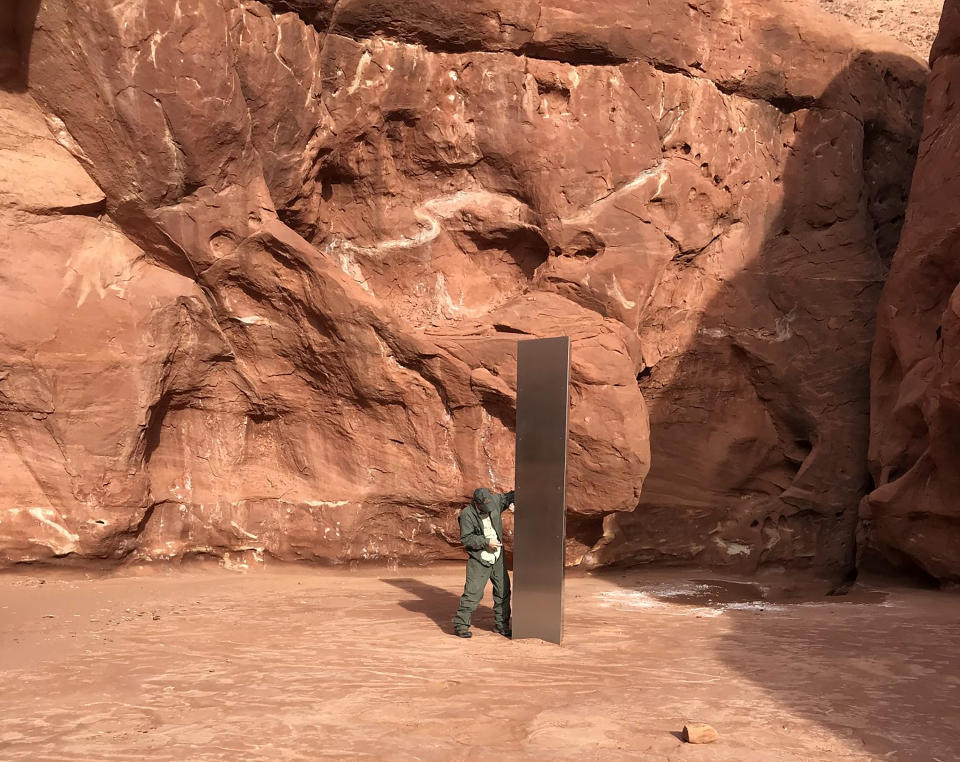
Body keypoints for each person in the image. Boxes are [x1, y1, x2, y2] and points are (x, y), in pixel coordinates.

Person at [453, 486, 515, 639]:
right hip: (480, 558)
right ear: (477, 504)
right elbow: (466, 539)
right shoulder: (467, 515)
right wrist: (486, 542)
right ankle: (461, 626)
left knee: (503, 591)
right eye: (485, 507)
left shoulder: (494, 501)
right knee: (472, 593)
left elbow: (511, 495)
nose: (488, 509)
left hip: (498, 557)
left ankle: (501, 625)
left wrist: (513, 502)